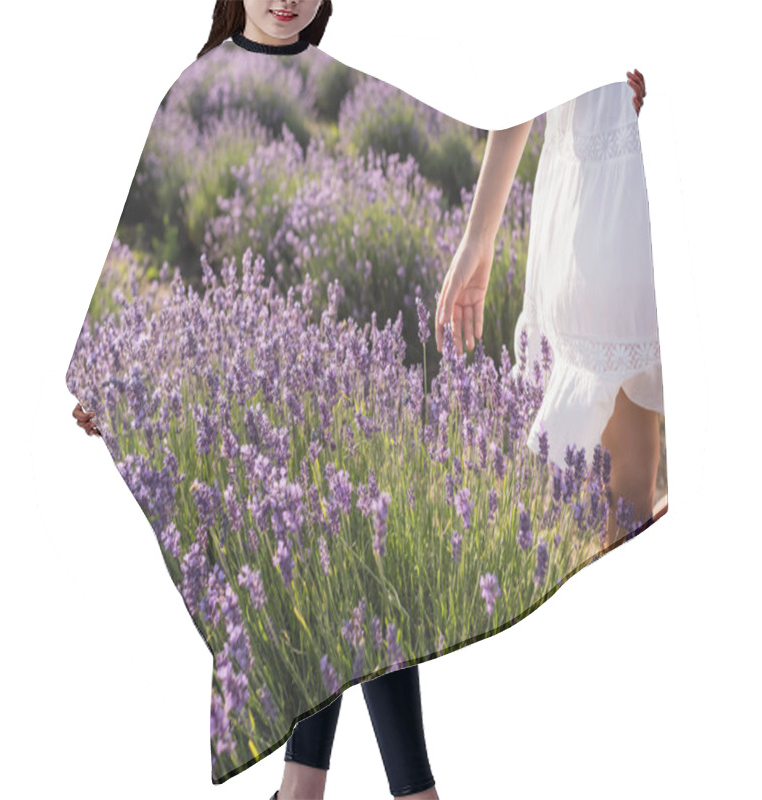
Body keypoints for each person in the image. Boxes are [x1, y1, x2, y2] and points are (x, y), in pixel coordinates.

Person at [70, 2, 651, 796]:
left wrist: (599, 100)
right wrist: (108, 387)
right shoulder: (193, 82)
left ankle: (314, 789)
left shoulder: (347, 69)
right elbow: (135, 252)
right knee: (340, 577)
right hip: (248, 392)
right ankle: (391, 791)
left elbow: (489, 104)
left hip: (331, 385)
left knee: (355, 575)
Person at [435, 68, 661, 551]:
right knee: (633, 480)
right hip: (617, 196)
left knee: (632, 481)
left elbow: (522, 60)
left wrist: (480, 233)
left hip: (609, 207)